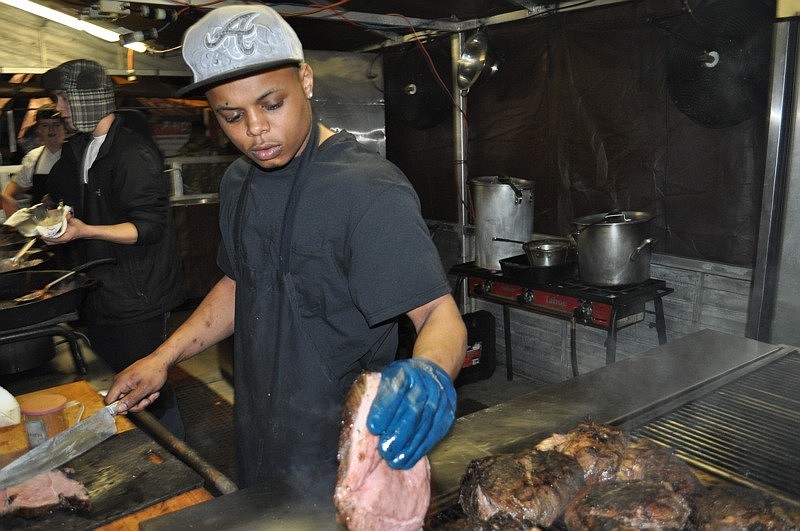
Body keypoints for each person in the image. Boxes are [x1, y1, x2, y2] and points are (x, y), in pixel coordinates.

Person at [105, 4, 467, 498]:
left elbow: (437, 315)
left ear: (307, 80)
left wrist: (429, 375)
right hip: (258, 424)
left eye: (271, 104)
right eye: (231, 115)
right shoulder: (239, 181)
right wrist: (163, 357)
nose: (254, 130)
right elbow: (241, 283)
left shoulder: (366, 190)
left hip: (352, 437)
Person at [39, 59, 187, 439]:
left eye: (64, 99)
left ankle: (177, 458)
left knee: (149, 390)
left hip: (137, 295)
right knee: (124, 381)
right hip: (103, 289)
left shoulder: (132, 153)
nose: (61, 109)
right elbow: (76, 198)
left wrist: (85, 231)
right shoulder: (84, 147)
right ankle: (148, 448)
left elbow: (148, 227)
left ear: (86, 99)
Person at [1, 103, 65, 217]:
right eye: (45, 125)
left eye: (56, 124)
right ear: (38, 130)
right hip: (40, 223)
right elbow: (17, 184)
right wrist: (6, 196)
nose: (51, 129)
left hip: (70, 223)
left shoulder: (77, 154)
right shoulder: (33, 157)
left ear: (65, 128)